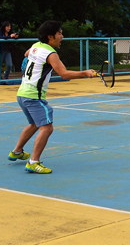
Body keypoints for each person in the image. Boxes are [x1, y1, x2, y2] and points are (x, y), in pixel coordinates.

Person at [8, 20, 96, 174]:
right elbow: (64, 73)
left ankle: (17, 151)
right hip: (33, 96)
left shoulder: (36, 46)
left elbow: (26, 53)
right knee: (47, 128)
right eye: (59, 33)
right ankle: (33, 162)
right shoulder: (51, 53)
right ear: (50, 37)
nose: (62, 36)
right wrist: (85, 73)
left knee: (35, 124)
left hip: (22, 94)